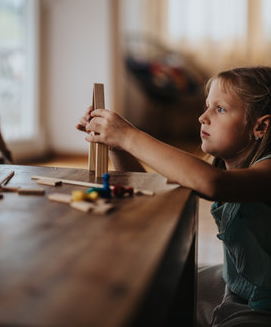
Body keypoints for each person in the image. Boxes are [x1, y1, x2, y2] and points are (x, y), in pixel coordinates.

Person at [77, 66, 271, 326]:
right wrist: (117, 144)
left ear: (261, 127)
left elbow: (213, 184)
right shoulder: (219, 166)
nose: (203, 117)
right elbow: (152, 191)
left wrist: (129, 135)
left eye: (220, 109)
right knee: (159, 287)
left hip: (264, 306)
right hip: (236, 284)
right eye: (206, 106)